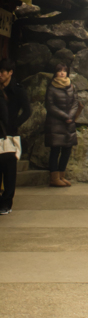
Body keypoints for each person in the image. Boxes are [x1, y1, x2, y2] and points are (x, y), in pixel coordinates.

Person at [0, 58, 30, 215]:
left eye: (2, 72)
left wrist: (14, 124)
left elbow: (27, 110)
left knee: (9, 172)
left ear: (10, 72)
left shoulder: (18, 90)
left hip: (10, 135)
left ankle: (6, 203)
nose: (0, 75)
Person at [45, 62, 79, 187]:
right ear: (55, 73)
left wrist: (71, 115)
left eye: (64, 71)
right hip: (56, 123)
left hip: (68, 123)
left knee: (67, 149)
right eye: (59, 71)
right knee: (55, 150)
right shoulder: (51, 87)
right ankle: (54, 177)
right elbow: (50, 105)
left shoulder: (71, 86)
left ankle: (61, 175)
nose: (62, 73)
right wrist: (65, 116)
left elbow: (76, 102)